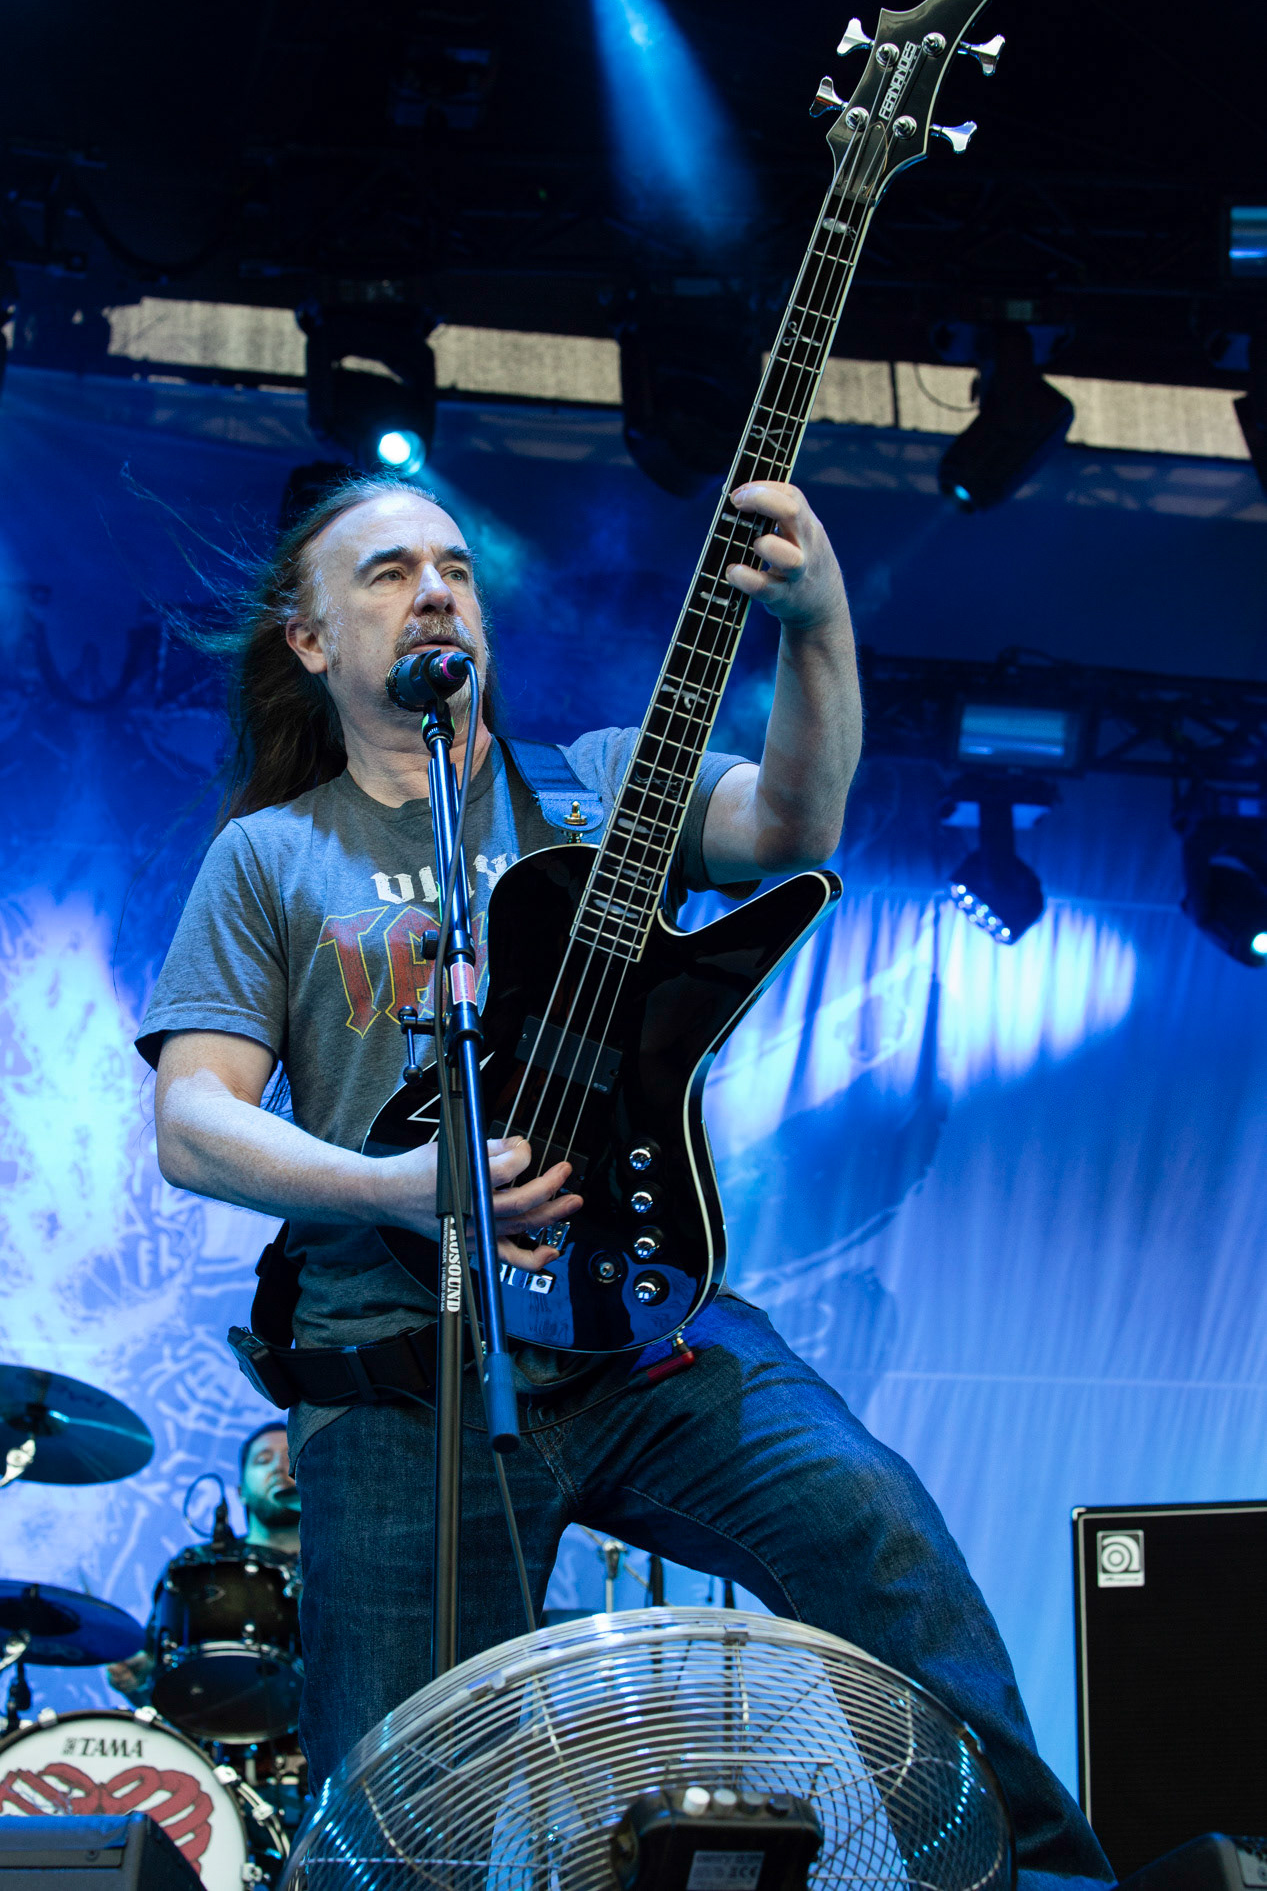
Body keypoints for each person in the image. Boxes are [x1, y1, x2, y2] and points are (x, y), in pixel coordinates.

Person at [136, 473, 1113, 1891]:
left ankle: (1052, 1878)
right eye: (388, 572)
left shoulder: (596, 785)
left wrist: (819, 618)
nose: (436, 590)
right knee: (406, 1807)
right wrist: (411, 1188)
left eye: (457, 567)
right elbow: (192, 1124)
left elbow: (790, 830)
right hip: (404, 1361)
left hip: (649, 1328)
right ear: (309, 641)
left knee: (876, 1533)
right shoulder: (272, 855)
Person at [108, 1421, 300, 1703]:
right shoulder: (197, 1566)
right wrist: (137, 1679)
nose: (278, 1467)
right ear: (240, 1492)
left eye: (291, 1456)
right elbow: (161, 1676)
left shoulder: (351, 1565)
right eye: (263, 1459)